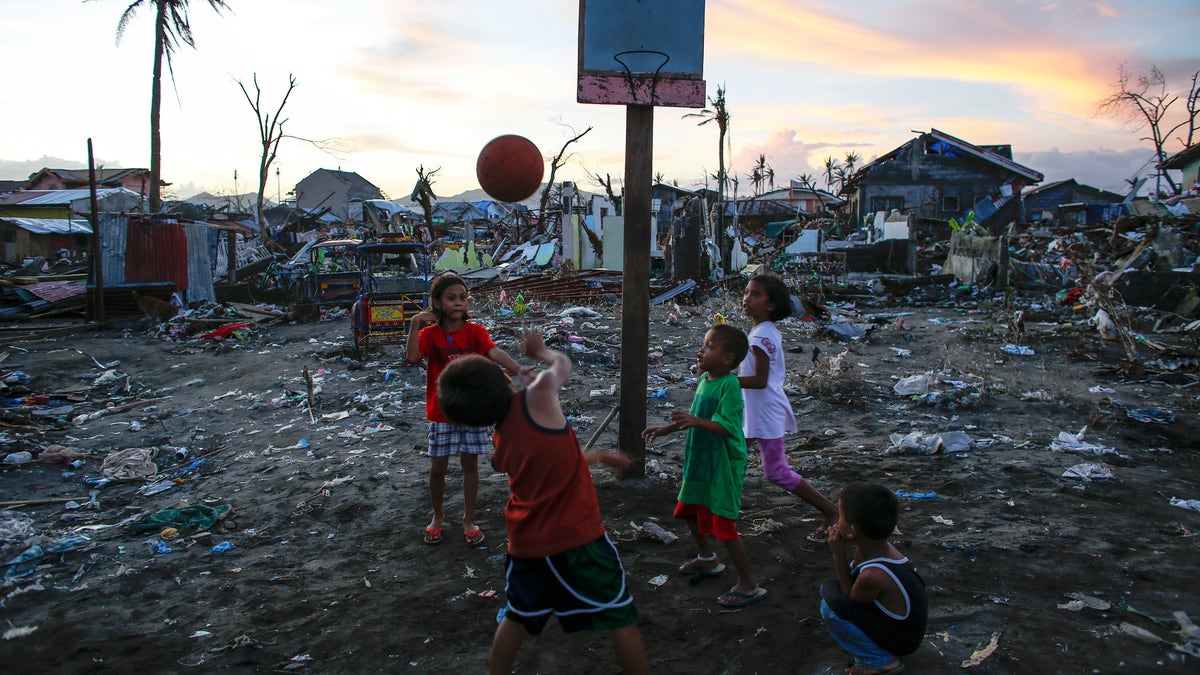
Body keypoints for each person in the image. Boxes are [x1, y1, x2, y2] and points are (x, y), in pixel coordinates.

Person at [437, 327, 648, 675]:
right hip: (578, 540)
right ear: (504, 377)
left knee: (518, 617)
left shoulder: (501, 440)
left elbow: (548, 462)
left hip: (527, 547)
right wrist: (542, 352)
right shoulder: (537, 395)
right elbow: (563, 364)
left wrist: (595, 457)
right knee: (619, 615)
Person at [642, 324, 768, 609]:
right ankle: (708, 558)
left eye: (710, 346)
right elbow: (695, 418)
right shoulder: (705, 380)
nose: (701, 350)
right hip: (699, 463)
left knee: (724, 525)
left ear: (728, 359)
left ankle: (749, 583)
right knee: (688, 510)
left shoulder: (730, 386)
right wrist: (666, 429)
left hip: (721, 466)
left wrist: (695, 421)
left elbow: (728, 428)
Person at [405, 272, 530, 547]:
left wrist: (519, 369)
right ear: (437, 303)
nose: (459, 303)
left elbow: (493, 353)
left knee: (470, 466)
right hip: (441, 413)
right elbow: (412, 358)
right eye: (451, 298)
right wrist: (415, 323)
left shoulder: (475, 333)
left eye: (462, 298)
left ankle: (468, 519)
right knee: (438, 469)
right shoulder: (430, 334)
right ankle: (437, 516)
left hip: (473, 412)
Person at [737, 273, 838, 542]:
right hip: (758, 411)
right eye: (746, 292)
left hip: (765, 412)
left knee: (776, 471)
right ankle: (719, 511)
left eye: (755, 294)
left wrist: (724, 378)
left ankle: (831, 511)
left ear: (771, 305)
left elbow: (759, 380)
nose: (747, 299)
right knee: (730, 455)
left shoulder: (761, 337)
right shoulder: (763, 331)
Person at [821, 483, 928, 675]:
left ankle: (881, 661)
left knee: (831, 610)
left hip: (904, 639)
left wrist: (838, 554)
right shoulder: (874, 548)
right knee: (828, 589)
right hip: (902, 626)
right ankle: (876, 650)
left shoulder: (874, 574)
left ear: (852, 531)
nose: (837, 521)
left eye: (841, 516)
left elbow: (849, 598)